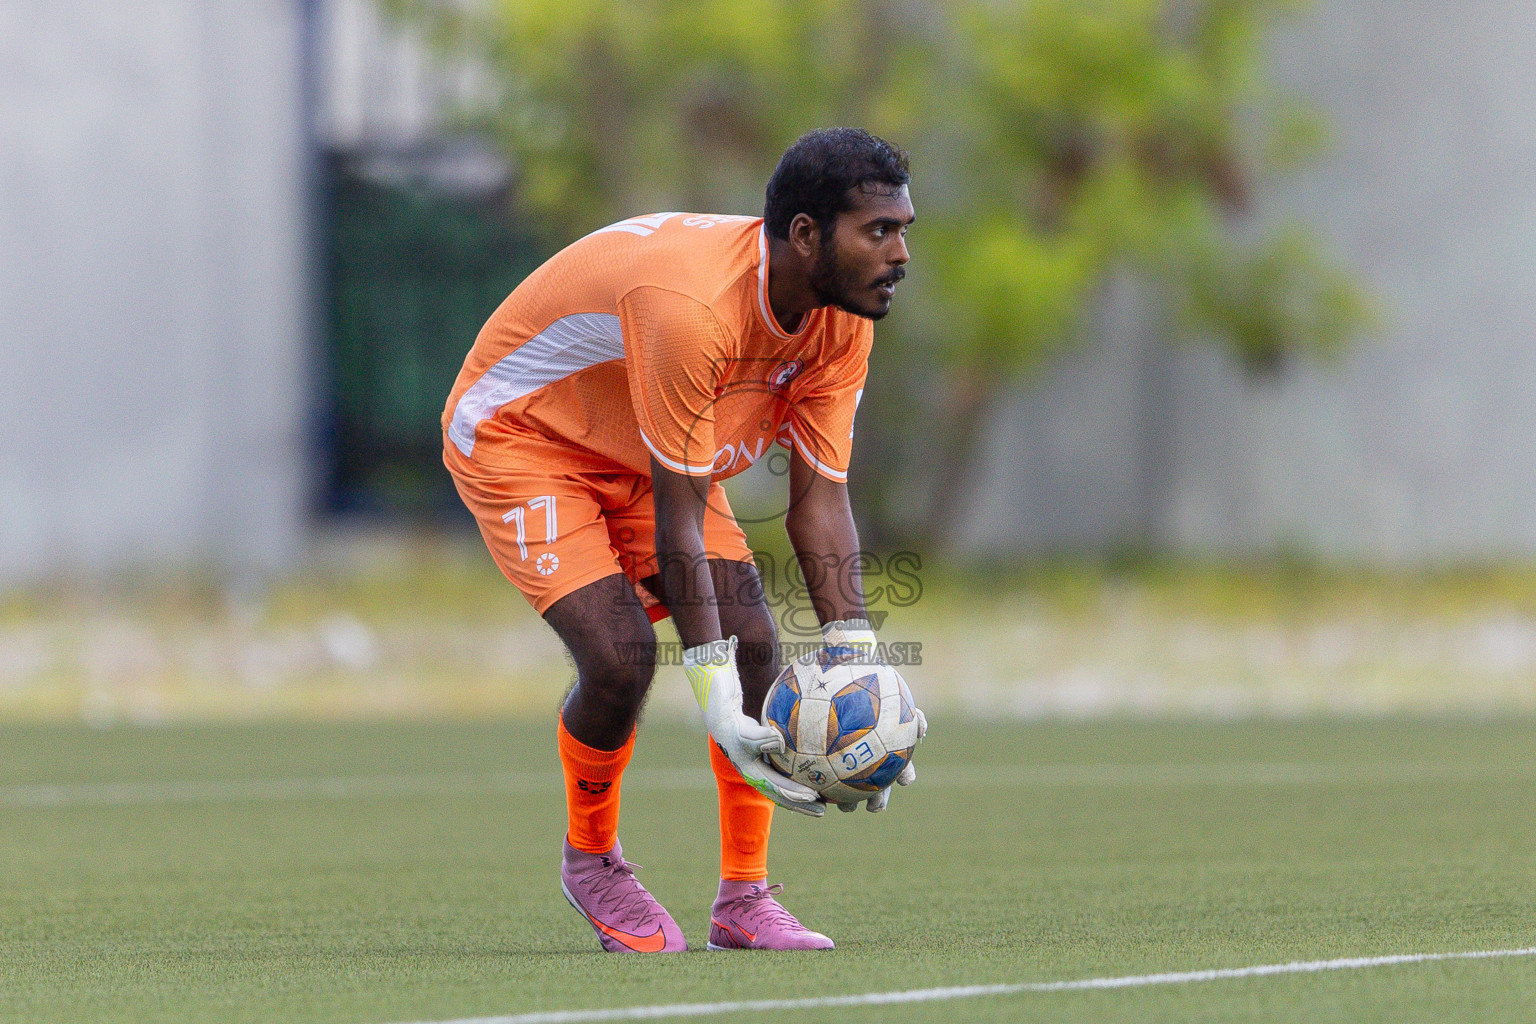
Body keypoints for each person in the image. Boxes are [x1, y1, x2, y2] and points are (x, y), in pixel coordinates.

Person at [442, 127, 923, 953]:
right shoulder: (694, 307)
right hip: (525, 434)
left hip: (634, 441)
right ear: (806, 235)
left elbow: (818, 503)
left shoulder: (843, 322)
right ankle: (591, 860)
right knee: (622, 655)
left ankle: (744, 899)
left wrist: (860, 656)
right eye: (878, 231)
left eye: (904, 228)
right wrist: (716, 707)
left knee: (754, 643)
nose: (900, 252)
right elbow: (678, 532)